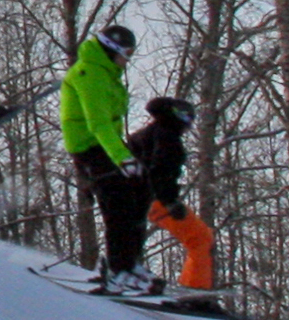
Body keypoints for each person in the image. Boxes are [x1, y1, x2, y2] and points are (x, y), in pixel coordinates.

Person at [60, 27, 150, 292]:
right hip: (89, 146)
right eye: (127, 53)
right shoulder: (91, 73)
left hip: (104, 144)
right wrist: (122, 157)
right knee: (118, 202)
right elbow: (98, 123)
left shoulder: (106, 72)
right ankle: (116, 270)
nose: (129, 59)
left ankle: (130, 263)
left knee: (140, 193)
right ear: (112, 49)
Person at [135, 96, 219, 292]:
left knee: (198, 238)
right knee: (201, 238)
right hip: (155, 198)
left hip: (140, 197)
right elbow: (160, 171)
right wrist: (170, 202)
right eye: (187, 118)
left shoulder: (150, 133)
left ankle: (193, 287)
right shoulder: (167, 137)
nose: (189, 125)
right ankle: (195, 289)